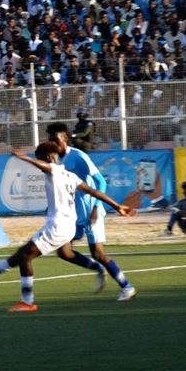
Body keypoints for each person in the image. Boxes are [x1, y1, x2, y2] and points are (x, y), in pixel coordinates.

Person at [0, 143, 134, 312]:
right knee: (49, 253)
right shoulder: (70, 176)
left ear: (47, 157)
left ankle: (27, 302)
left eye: (40, 158)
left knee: (25, 256)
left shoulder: (53, 170)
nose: (40, 164)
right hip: (68, 226)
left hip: (58, 227)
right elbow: (93, 191)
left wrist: (23, 157)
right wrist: (117, 205)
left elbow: (44, 166)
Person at [46, 122, 138, 302]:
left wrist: (97, 207)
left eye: (55, 139)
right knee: (64, 251)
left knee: (98, 253)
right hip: (74, 214)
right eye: (50, 139)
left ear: (64, 138)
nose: (53, 142)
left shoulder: (78, 156)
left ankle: (127, 287)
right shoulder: (56, 160)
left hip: (91, 211)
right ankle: (97, 268)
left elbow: (101, 182)